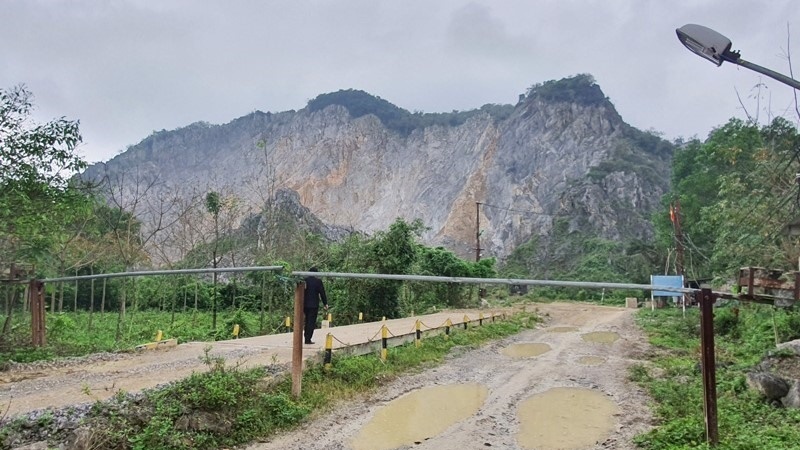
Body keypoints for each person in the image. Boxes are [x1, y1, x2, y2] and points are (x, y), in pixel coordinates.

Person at [303, 266, 328, 345]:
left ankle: (306, 337)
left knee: (307, 321)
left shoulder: (305, 281)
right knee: (311, 322)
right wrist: (325, 303)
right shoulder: (318, 281)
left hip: (305, 305)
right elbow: (322, 293)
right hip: (314, 305)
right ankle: (308, 339)